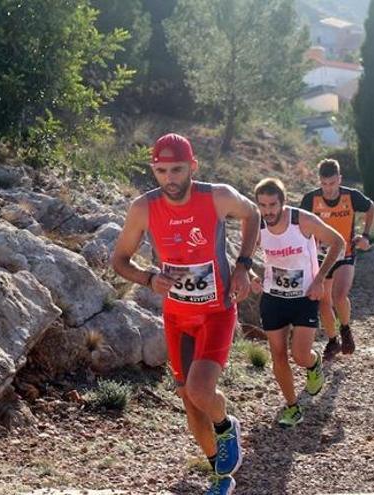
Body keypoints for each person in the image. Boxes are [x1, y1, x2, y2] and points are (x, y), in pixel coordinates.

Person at [111, 133, 259, 495]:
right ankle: (220, 475)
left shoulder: (217, 196)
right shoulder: (143, 208)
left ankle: (226, 425)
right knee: (191, 405)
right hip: (177, 317)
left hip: (217, 313)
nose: (169, 178)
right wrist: (149, 278)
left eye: (177, 169)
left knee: (201, 390)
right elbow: (119, 260)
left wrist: (243, 265)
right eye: (161, 171)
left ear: (193, 166)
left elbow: (252, 213)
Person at [250, 178, 345, 428]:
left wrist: (320, 279)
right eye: (262, 205)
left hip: (305, 296)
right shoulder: (256, 225)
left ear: (283, 202)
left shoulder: (301, 220)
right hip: (273, 298)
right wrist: (252, 278)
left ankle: (314, 364)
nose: (268, 211)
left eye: (272, 204)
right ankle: (293, 407)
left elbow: (338, 242)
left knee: (300, 355)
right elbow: (244, 259)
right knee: (278, 355)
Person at [299, 159, 374, 361]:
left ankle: (346, 329)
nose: (329, 189)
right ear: (320, 182)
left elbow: (370, 207)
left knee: (339, 296)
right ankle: (333, 341)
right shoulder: (310, 200)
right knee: (324, 302)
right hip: (321, 257)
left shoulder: (351, 196)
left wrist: (366, 236)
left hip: (345, 252)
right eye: (324, 184)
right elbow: (300, 224)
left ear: (339, 179)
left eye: (332, 184)